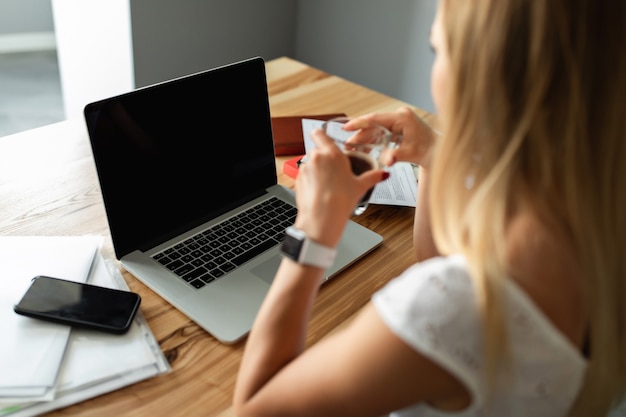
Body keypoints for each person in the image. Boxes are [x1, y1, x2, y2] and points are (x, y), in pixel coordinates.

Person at [233, 0, 626, 415]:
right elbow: (439, 267)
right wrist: (438, 159)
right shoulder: (597, 218)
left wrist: (310, 234)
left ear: (483, 80)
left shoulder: (453, 309)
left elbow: (253, 409)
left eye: (438, 51)